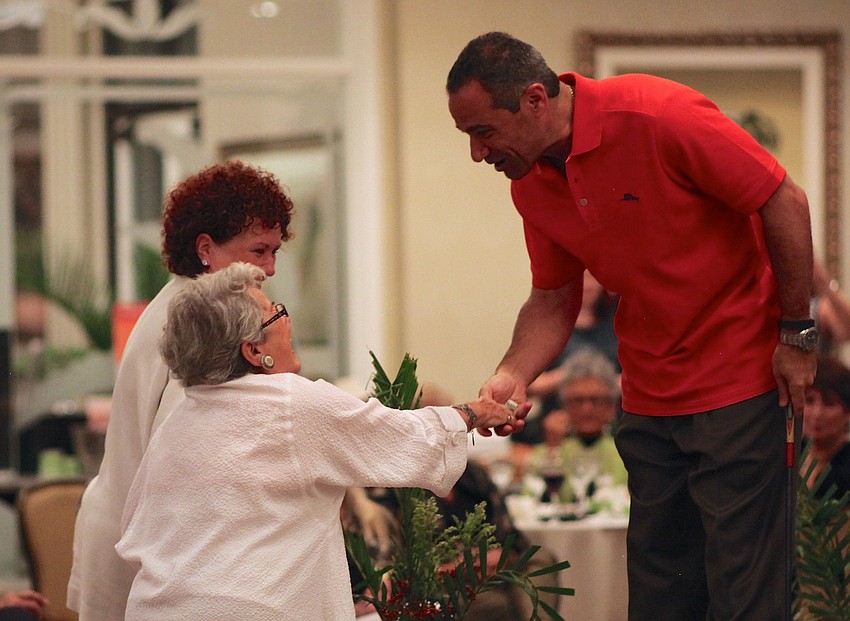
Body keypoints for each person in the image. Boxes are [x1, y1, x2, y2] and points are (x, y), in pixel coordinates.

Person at [447, 32, 816, 620]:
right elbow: (553, 296)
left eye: (483, 131)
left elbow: (784, 199)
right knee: (660, 596)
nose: (476, 153)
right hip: (648, 398)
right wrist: (513, 373)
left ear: (536, 100)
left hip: (741, 385)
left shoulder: (657, 114)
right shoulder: (532, 183)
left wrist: (797, 333)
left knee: (743, 597)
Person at [114, 262, 524, 620]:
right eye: (276, 314)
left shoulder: (178, 421)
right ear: (254, 350)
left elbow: (136, 527)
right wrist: (476, 413)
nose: (287, 322)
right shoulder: (289, 402)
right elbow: (402, 438)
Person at [67, 160, 295, 620]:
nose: (269, 268)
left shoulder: (184, 304)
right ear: (206, 249)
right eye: (258, 251)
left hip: (133, 530)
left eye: (275, 252)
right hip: (140, 546)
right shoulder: (197, 325)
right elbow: (188, 455)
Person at [511, 270, 618, 447]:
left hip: (610, 426)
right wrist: (570, 378)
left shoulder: (618, 321)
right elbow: (521, 382)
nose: (587, 285)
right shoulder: (546, 326)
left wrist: (603, 384)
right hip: (555, 423)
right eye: (580, 278)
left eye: (592, 278)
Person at [526, 348, 627, 504]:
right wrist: (553, 450)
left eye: (595, 400)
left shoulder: (627, 452)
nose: (587, 409)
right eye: (577, 400)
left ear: (612, 406)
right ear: (563, 405)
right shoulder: (547, 451)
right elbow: (531, 503)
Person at [800, 354, 850, 500]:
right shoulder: (785, 456)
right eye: (809, 401)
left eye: (829, 404)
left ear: (847, 412)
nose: (817, 413)